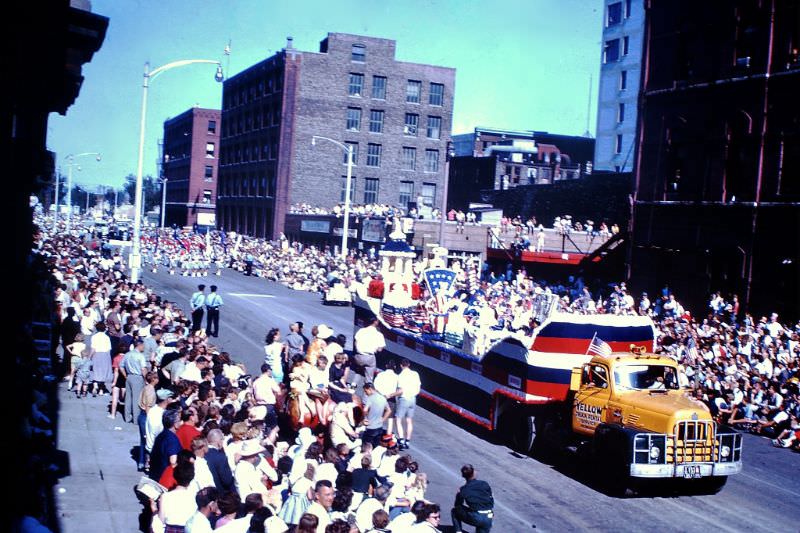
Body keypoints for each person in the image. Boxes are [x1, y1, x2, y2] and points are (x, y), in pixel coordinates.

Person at [451, 464, 494, 533]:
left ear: (463, 476)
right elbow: (491, 499)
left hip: (476, 517)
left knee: (454, 511)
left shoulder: (463, 489)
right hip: (489, 517)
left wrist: (458, 494)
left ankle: (458, 532)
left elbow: (457, 505)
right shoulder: (484, 484)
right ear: (474, 472)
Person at [150, 409, 183, 481]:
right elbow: (173, 461)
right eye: (179, 420)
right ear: (175, 424)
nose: (181, 422)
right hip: (165, 478)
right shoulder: (172, 440)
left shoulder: (161, 435)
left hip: (155, 475)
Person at [395, 358, 421, 450]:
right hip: (413, 399)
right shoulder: (415, 374)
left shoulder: (400, 376)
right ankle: (407, 441)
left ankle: (401, 439)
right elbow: (418, 388)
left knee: (398, 419)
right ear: (409, 365)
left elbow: (400, 391)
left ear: (401, 366)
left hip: (404, 399)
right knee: (409, 420)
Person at [122, 339, 149, 424]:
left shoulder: (127, 354)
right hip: (138, 377)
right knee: (137, 398)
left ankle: (127, 417)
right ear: (139, 345)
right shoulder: (140, 356)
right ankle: (136, 419)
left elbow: (121, 366)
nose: (144, 347)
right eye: (143, 345)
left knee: (128, 398)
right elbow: (143, 369)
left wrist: (125, 376)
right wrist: (146, 380)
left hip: (129, 376)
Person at [354, 316, 386, 384]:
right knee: (369, 378)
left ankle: (352, 388)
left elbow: (355, 343)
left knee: (358, 374)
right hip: (369, 357)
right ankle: (367, 392)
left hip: (358, 357)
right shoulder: (379, 334)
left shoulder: (361, 330)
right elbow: (380, 349)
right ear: (375, 322)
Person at [361, 382, 391, 447]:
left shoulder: (370, 398)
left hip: (371, 427)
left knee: (366, 447)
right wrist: (383, 419)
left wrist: (364, 418)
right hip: (379, 427)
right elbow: (388, 410)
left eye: (366, 391)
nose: (366, 394)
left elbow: (365, 410)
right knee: (375, 446)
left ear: (370, 389)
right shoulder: (383, 398)